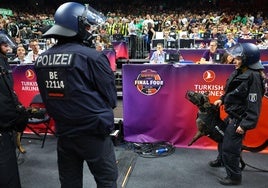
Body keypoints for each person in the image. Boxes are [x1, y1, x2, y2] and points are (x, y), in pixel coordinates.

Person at [34, 2, 118, 188]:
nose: (89, 29)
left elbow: (47, 96)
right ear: (76, 25)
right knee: (107, 181)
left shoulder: (41, 59)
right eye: (86, 25)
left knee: (69, 183)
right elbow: (112, 98)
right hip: (93, 133)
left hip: (64, 133)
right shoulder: (92, 57)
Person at [210, 43, 265, 186]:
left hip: (240, 118)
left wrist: (245, 124)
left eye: (239, 59)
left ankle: (234, 177)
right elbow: (231, 91)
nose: (234, 61)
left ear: (248, 60)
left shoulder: (253, 77)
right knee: (222, 138)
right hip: (233, 113)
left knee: (230, 147)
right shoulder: (240, 71)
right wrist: (222, 99)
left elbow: (254, 104)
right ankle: (222, 160)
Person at [0, 33, 22, 187]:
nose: (7, 48)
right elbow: (5, 97)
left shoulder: (3, 62)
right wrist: (16, 118)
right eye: (4, 45)